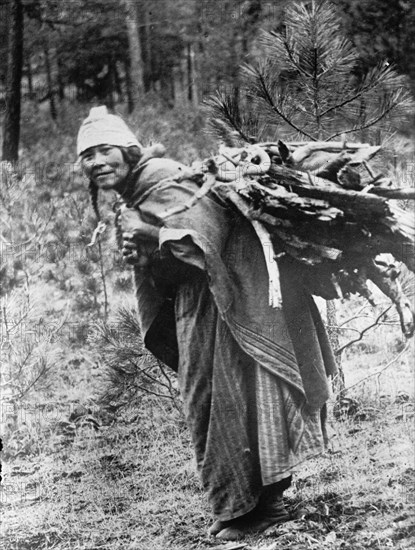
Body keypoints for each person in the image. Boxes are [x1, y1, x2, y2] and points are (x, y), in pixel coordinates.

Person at [77, 106, 337, 541]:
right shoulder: (136, 190)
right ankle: (239, 506)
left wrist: (149, 234)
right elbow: (171, 258)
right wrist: (144, 250)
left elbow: (205, 232)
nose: (98, 161)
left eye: (105, 150)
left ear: (128, 149)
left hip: (228, 297)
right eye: (88, 156)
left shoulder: (161, 175)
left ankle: (253, 508)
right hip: (200, 303)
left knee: (230, 395)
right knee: (211, 398)